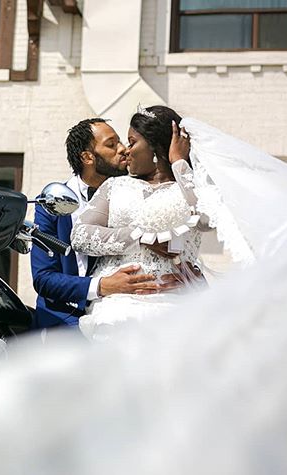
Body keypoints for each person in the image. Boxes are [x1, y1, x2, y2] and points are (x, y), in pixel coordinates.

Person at [71, 106, 211, 339]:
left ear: (155, 147)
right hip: (120, 307)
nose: (126, 150)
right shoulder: (114, 187)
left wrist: (179, 163)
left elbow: (206, 219)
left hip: (177, 304)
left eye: (132, 142)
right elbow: (80, 236)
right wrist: (142, 238)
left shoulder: (190, 187)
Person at [30, 118, 180, 330]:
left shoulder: (138, 192)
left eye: (123, 142)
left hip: (133, 310)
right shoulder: (50, 204)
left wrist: (186, 272)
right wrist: (101, 286)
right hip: (64, 318)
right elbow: (44, 279)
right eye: (111, 145)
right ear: (87, 157)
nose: (123, 150)